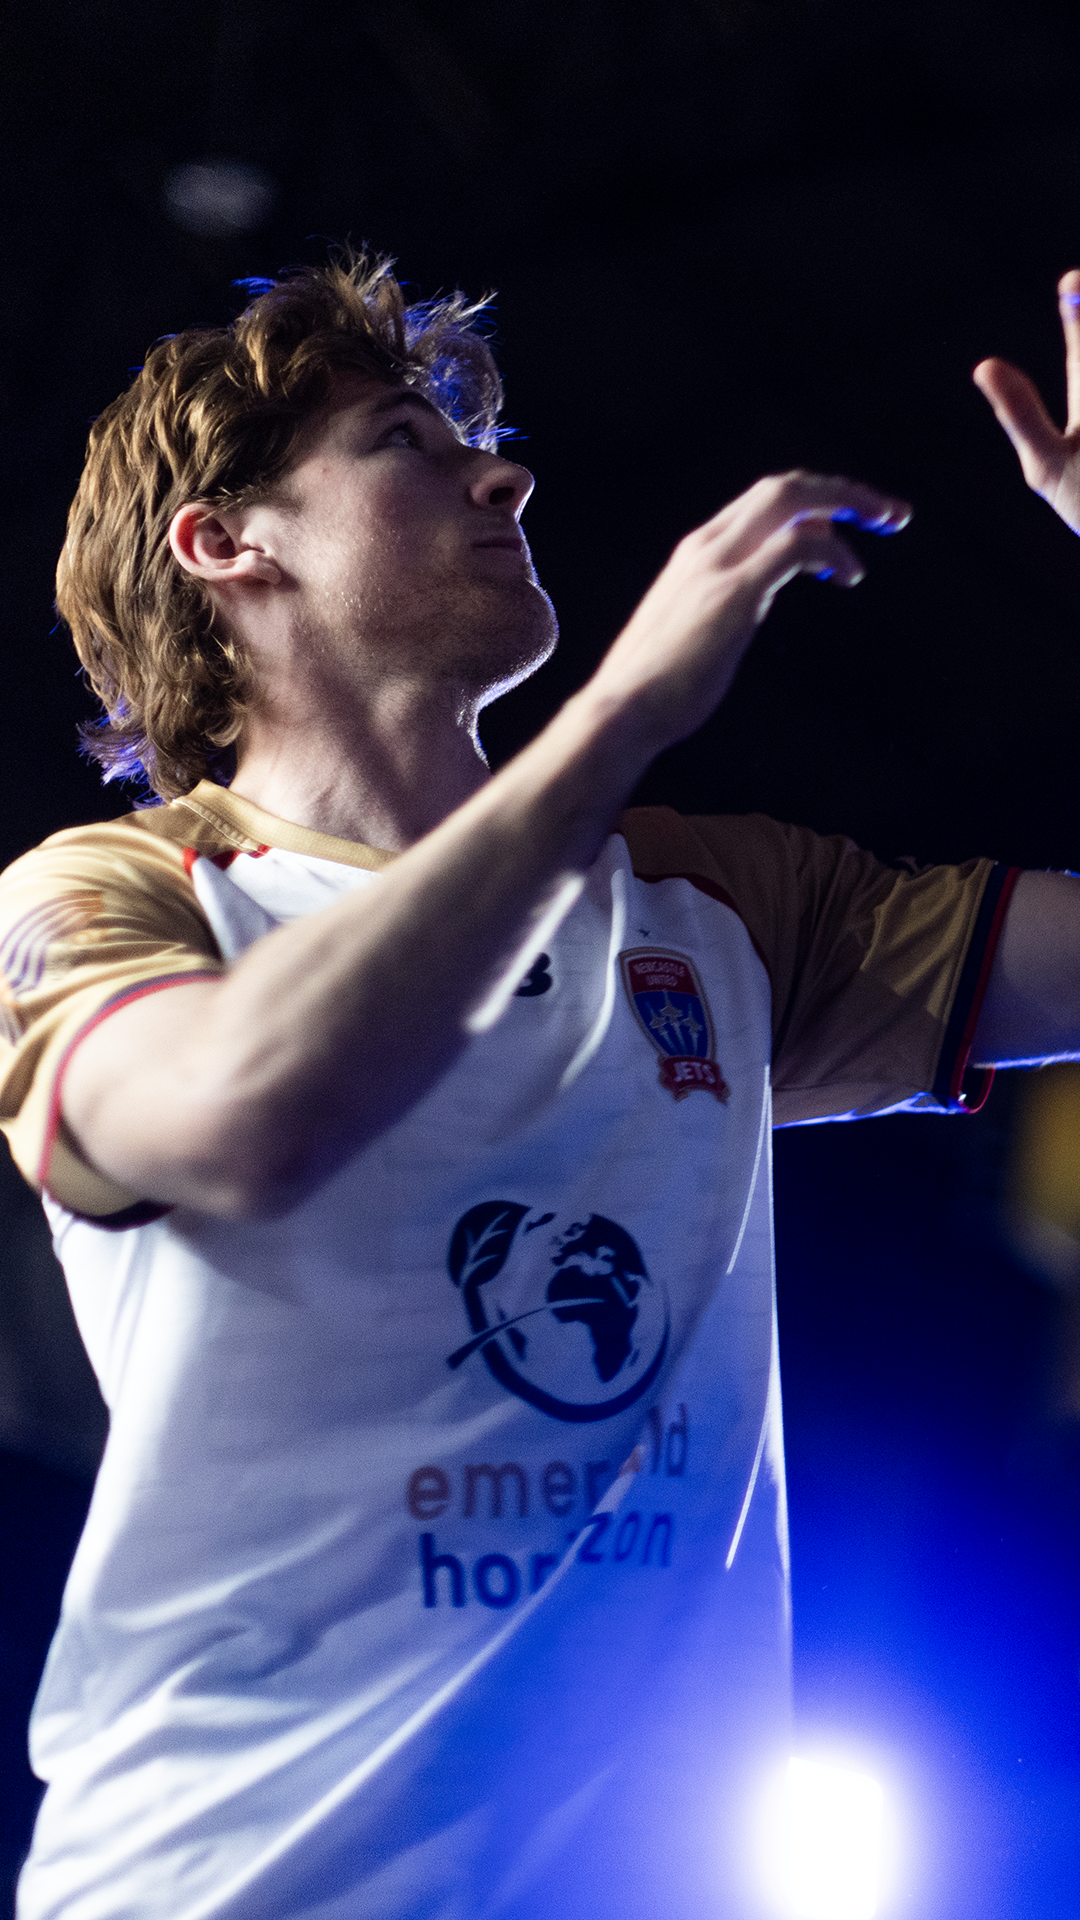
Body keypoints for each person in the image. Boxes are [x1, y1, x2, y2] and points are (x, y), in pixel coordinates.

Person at [3, 251, 1079, 1920]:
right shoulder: (115, 892)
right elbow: (240, 1120)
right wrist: (624, 714)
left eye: (480, 445)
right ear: (226, 544)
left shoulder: (713, 904)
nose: (502, 477)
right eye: (404, 443)